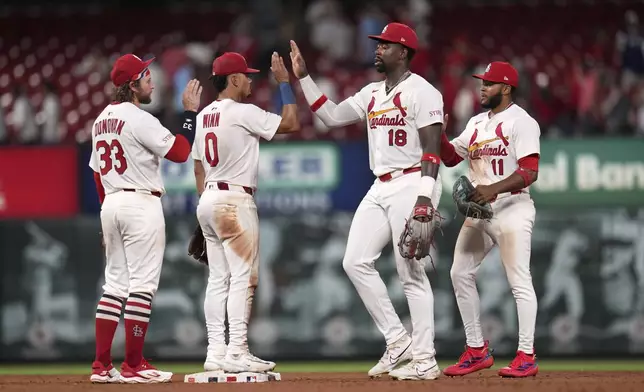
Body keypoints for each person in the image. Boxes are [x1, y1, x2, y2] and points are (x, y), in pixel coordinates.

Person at [290, 22, 444, 380]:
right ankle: (397, 340)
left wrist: (424, 198)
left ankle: (425, 358)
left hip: (412, 181)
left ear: (403, 52)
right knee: (354, 261)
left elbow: (432, 150)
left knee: (410, 271)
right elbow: (330, 117)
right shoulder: (372, 93)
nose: (377, 49)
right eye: (377, 44)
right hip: (380, 185)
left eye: (385, 45)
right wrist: (304, 77)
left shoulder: (423, 91)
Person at [89, 53, 202, 383]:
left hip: (111, 204)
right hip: (141, 203)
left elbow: (97, 174)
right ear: (131, 85)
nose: (152, 79)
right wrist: (189, 113)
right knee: (142, 287)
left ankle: (101, 366)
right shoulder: (139, 119)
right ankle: (134, 364)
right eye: (145, 75)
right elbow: (180, 153)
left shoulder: (100, 121)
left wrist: (104, 213)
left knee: (114, 287)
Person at [192, 51, 300, 373]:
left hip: (209, 198)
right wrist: (284, 84)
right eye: (247, 75)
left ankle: (215, 351)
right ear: (234, 79)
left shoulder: (202, 116)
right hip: (235, 201)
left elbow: (198, 166)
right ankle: (237, 350)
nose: (251, 80)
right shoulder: (241, 112)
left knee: (218, 280)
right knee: (243, 279)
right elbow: (292, 123)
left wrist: (206, 203)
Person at [439, 61, 541, 378]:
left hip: (513, 207)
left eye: (489, 82)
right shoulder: (476, 123)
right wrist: (438, 135)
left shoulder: (522, 122)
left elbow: (529, 172)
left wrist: (491, 189)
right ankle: (476, 351)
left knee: (519, 281)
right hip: (480, 211)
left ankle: (526, 355)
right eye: (482, 82)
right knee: (459, 273)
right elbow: (451, 157)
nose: (482, 87)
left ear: (506, 88)